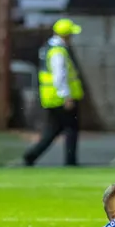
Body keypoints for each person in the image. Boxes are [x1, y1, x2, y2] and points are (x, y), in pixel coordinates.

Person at [23, 18, 83, 166]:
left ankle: (31, 155)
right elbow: (59, 75)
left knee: (54, 130)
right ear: (65, 35)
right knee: (71, 129)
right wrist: (66, 96)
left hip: (51, 96)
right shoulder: (58, 51)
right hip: (59, 97)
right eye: (70, 34)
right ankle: (70, 162)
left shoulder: (49, 47)